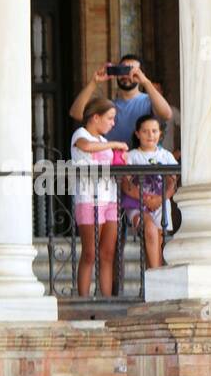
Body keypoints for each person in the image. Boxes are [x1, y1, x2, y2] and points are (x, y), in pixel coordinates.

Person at [70, 98, 125, 297]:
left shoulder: (104, 141)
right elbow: (86, 147)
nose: (113, 123)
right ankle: (84, 300)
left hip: (109, 198)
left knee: (107, 253)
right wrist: (115, 143)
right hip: (88, 199)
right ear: (95, 117)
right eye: (110, 118)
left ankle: (107, 298)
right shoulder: (81, 134)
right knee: (90, 253)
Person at [68, 55, 174, 146]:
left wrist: (145, 82)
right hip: (113, 163)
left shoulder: (149, 101)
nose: (126, 75)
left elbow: (167, 114)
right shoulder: (107, 106)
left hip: (142, 164)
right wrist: (94, 82)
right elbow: (76, 113)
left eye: (131, 70)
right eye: (122, 70)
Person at [121, 114, 178, 271]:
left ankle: (153, 282)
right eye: (145, 131)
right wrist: (146, 200)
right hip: (138, 205)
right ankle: (157, 276)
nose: (150, 135)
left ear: (160, 133)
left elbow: (172, 183)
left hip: (161, 204)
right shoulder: (131, 156)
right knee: (151, 232)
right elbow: (126, 185)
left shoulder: (166, 156)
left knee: (157, 244)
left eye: (154, 131)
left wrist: (160, 199)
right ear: (137, 133)